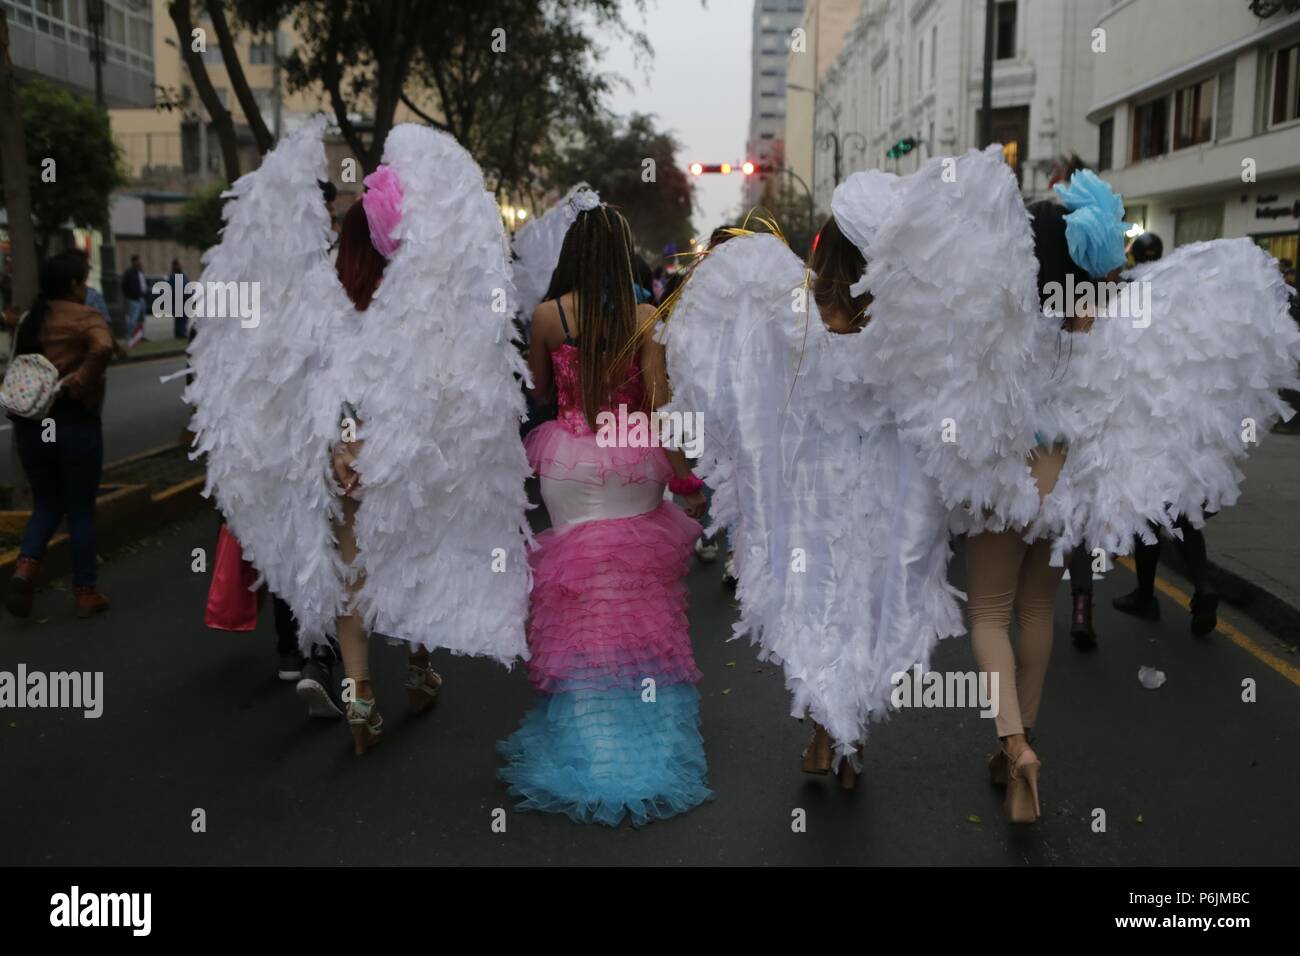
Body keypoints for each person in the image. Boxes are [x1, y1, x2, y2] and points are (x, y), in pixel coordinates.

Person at [498, 198, 712, 827]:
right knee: (639, 594)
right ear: (621, 257)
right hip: (633, 458)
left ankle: (587, 739)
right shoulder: (646, 316)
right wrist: (686, 477)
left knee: (582, 596)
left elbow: (537, 389)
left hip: (567, 462)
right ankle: (640, 731)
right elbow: (659, 407)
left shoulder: (545, 314)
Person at [1108, 230, 1219, 636]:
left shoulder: (1128, 291)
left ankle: (1144, 595)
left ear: (1135, 257)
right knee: (1185, 510)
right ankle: (1204, 583)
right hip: (1186, 416)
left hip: (1145, 415)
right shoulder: (1182, 292)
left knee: (1146, 511)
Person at [4, 252, 114, 619]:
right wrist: (79, 381)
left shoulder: (32, 319)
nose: (86, 287)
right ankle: (85, 592)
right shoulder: (84, 317)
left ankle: (25, 570)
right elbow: (102, 346)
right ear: (72, 285)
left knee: (47, 504)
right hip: (72, 424)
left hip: (33, 428)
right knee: (80, 510)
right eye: (83, 281)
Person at [121, 255, 147, 343]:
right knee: (133, 318)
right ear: (133, 262)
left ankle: (139, 335)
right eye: (137, 261)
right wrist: (129, 295)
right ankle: (129, 335)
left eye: (139, 261)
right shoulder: (129, 273)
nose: (139, 262)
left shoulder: (140, 272)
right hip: (133, 299)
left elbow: (143, 283)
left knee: (141, 319)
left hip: (141, 298)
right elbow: (124, 285)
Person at [169, 259, 188, 339]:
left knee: (184, 318)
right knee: (179, 318)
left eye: (179, 264)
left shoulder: (183, 275)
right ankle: (179, 334)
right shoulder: (173, 276)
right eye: (177, 265)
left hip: (185, 300)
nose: (179, 266)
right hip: (177, 301)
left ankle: (182, 332)